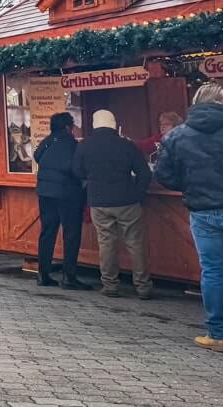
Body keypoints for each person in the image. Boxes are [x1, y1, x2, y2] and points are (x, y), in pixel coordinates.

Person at [155, 83, 223, 352]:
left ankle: (217, 334)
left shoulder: (177, 135)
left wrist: (188, 186)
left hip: (202, 211)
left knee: (214, 271)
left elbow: (163, 174)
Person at [73, 109, 153, 299]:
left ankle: (110, 285)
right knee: (136, 243)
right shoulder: (126, 145)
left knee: (106, 243)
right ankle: (143, 287)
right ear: (114, 124)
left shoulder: (85, 145)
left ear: (94, 125)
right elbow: (145, 173)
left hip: (99, 201)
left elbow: (77, 171)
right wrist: (138, 193)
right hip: (127, 200)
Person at [34, 113, 90, 289]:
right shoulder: (73, 145)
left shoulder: (48, 141)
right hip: (68, 194)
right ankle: (69, 277)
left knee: (47, 233)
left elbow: (36, 156)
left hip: (45, 193)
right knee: (71, 234)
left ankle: (43, 275)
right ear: (68, 127)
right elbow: (78, 169)